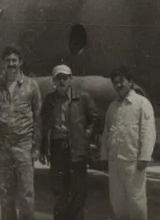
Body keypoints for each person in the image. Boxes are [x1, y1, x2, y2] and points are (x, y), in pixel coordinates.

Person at [0, 44, 42, 220]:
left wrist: (36, 147)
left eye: (15, 60)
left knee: (27, 193)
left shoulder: (31, 86)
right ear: (3, 63)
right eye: (8, 61)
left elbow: (38, 119)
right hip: (2, 147)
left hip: (23, 145)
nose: (11, 64)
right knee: (5, 193)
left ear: (20, 62)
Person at [39, 64, 99, 220]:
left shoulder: (82, 97)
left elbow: (94, 117)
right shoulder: (49, 100)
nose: (61, 81)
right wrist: (42, 149)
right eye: (58, 78)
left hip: (76, 150)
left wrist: (86, 135)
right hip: (57, 150)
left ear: (71, 79)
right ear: (53, 80)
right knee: (59, 192)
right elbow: (43, 124)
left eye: (65, 78)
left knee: (78, 192)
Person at [100, 66, 156, 220]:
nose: (118, 85)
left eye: (121, 82)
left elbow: (147, 132)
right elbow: (107, 132)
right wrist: (104, 156)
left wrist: (144, 157)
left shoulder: (142, 104)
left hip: (133, 162)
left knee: (136, 200)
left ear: (131, 82)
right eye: (115, 83)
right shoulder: (112, 107)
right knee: (117, 200)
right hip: (115, 161)